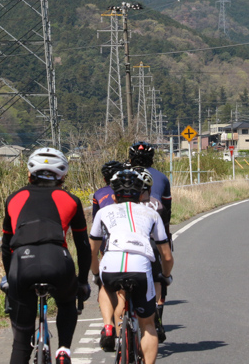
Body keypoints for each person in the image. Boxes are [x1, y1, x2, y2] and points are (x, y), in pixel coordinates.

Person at [1, 147, 92, 364]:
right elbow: (82, 246)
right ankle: (64, 350)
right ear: (62, 175)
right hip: (57, 260)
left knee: (21, 342)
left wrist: (9, 278)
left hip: (22, 263)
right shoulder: (72, 200)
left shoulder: (13, 198)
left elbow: (6, 247)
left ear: (29, 173)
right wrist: (82, 282)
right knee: (67, 302)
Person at [90, 169, 173, 364]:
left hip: (111, 264)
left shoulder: (103, 212)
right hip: (140, 266)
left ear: (114, 195)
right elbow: (166, 256)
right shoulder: (151, 214)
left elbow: (92, 251)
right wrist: (165, 277)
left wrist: (95, 273)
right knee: (148, 324)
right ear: (142, 193)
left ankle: (110, 326)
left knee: (106, 287)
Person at [127, 141, 172, 336]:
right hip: (154, 236)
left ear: (129, 158)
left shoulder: (122, 175)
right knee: (159, 276)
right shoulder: (161, 177)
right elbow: (167, 212)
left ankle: (116, 323)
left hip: (126, 237)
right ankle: (158, 317)